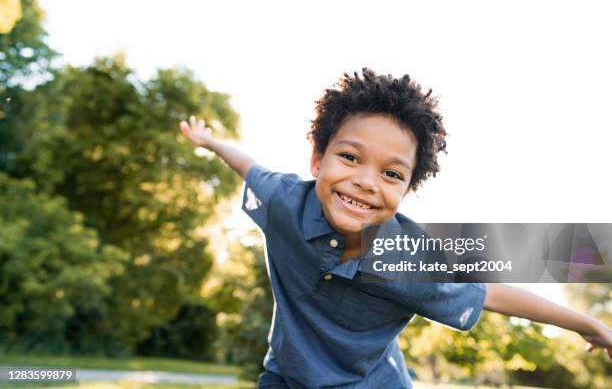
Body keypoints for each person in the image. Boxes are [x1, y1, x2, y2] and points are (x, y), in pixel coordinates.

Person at [179, 68, 612, 388]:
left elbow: (493, 291)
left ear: (406, 191)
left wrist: (588, 325)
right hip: (287, 377)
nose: (366, 181)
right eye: (350, 157)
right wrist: (210, 142)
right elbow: (249, 166)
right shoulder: (284, 202)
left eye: (391, 174)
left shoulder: (407, 256)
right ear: (317, 160)